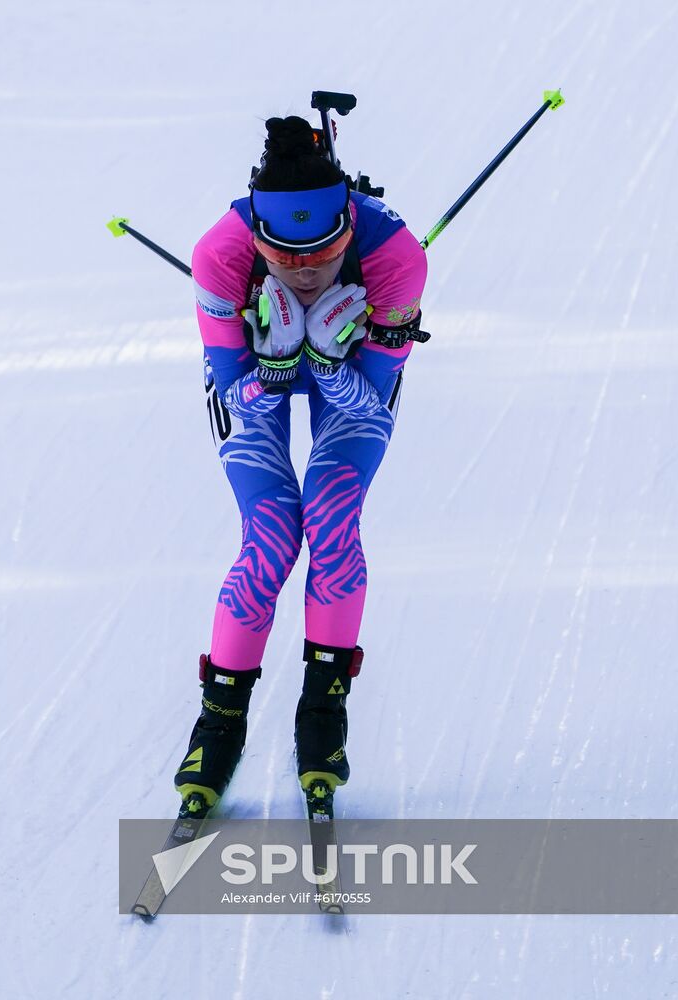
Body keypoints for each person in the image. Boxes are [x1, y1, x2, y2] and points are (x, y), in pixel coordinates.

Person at [174, 115, 427, 816]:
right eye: (285, 256)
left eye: (323, 250)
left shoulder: (397, 259)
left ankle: (323, 720)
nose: (306, 268)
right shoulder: (219, 257)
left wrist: (324, 363)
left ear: (351, 222)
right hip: (262, 370)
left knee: (333, 519)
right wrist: (282, 363)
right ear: (256, 236)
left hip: (352, 377)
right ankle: (217, 727)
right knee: (273, 535)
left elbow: (372, 404)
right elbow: (235, 391)